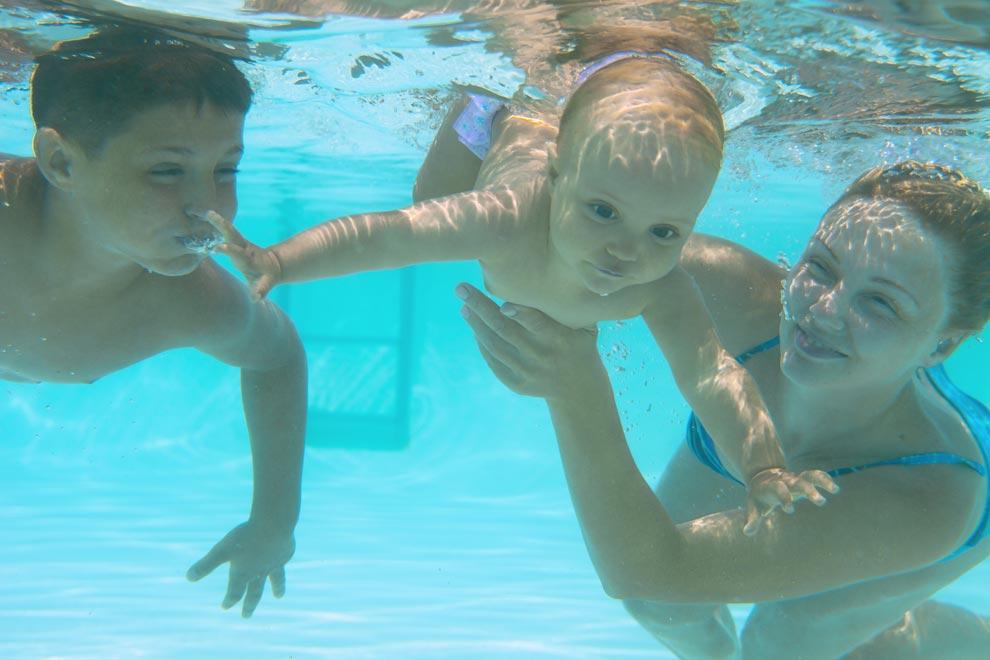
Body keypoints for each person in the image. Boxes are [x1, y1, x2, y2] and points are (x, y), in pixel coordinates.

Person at [213, 51, 838, 528]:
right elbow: (387, 236)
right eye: (601, 211)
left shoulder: (660, 286)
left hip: (560, 140)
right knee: (430, 203)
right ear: (558, 175)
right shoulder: (506, 219)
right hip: (504, 135)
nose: (628, 251)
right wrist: (280, 261)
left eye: (665, 231)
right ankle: (483, 99)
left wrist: (764, 466)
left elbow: (710, 373)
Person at [456, 160, 990, 658]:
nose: (821, 310)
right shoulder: (742, 297)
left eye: (881, 302)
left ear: (942, 346)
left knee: (781, 639)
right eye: (821, 267)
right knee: (660, 605)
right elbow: (550, 231)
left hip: (915, 482)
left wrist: (574, 389)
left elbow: (643, 567)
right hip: (844, 404)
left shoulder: (935, 497)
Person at [0, 28, 307, 618]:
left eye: (227, 169)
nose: (208, 210)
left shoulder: (187, 300)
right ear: (61, 161)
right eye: (167, 172)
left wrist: (274, 521)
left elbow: (277, 354)